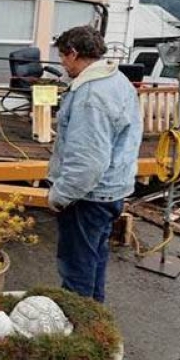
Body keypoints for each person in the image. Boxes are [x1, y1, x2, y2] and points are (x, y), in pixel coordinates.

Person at [47, 26, 142, 302]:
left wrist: (60, 195)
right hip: (112, 191)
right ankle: (94, 317)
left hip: (88, 197)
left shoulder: (91, 95)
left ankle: (78, 329)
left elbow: (88, 162)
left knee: (76, 268)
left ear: (74, 53)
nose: (62, 64)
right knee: (95, 260)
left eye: (63, 57)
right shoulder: (117, 79)